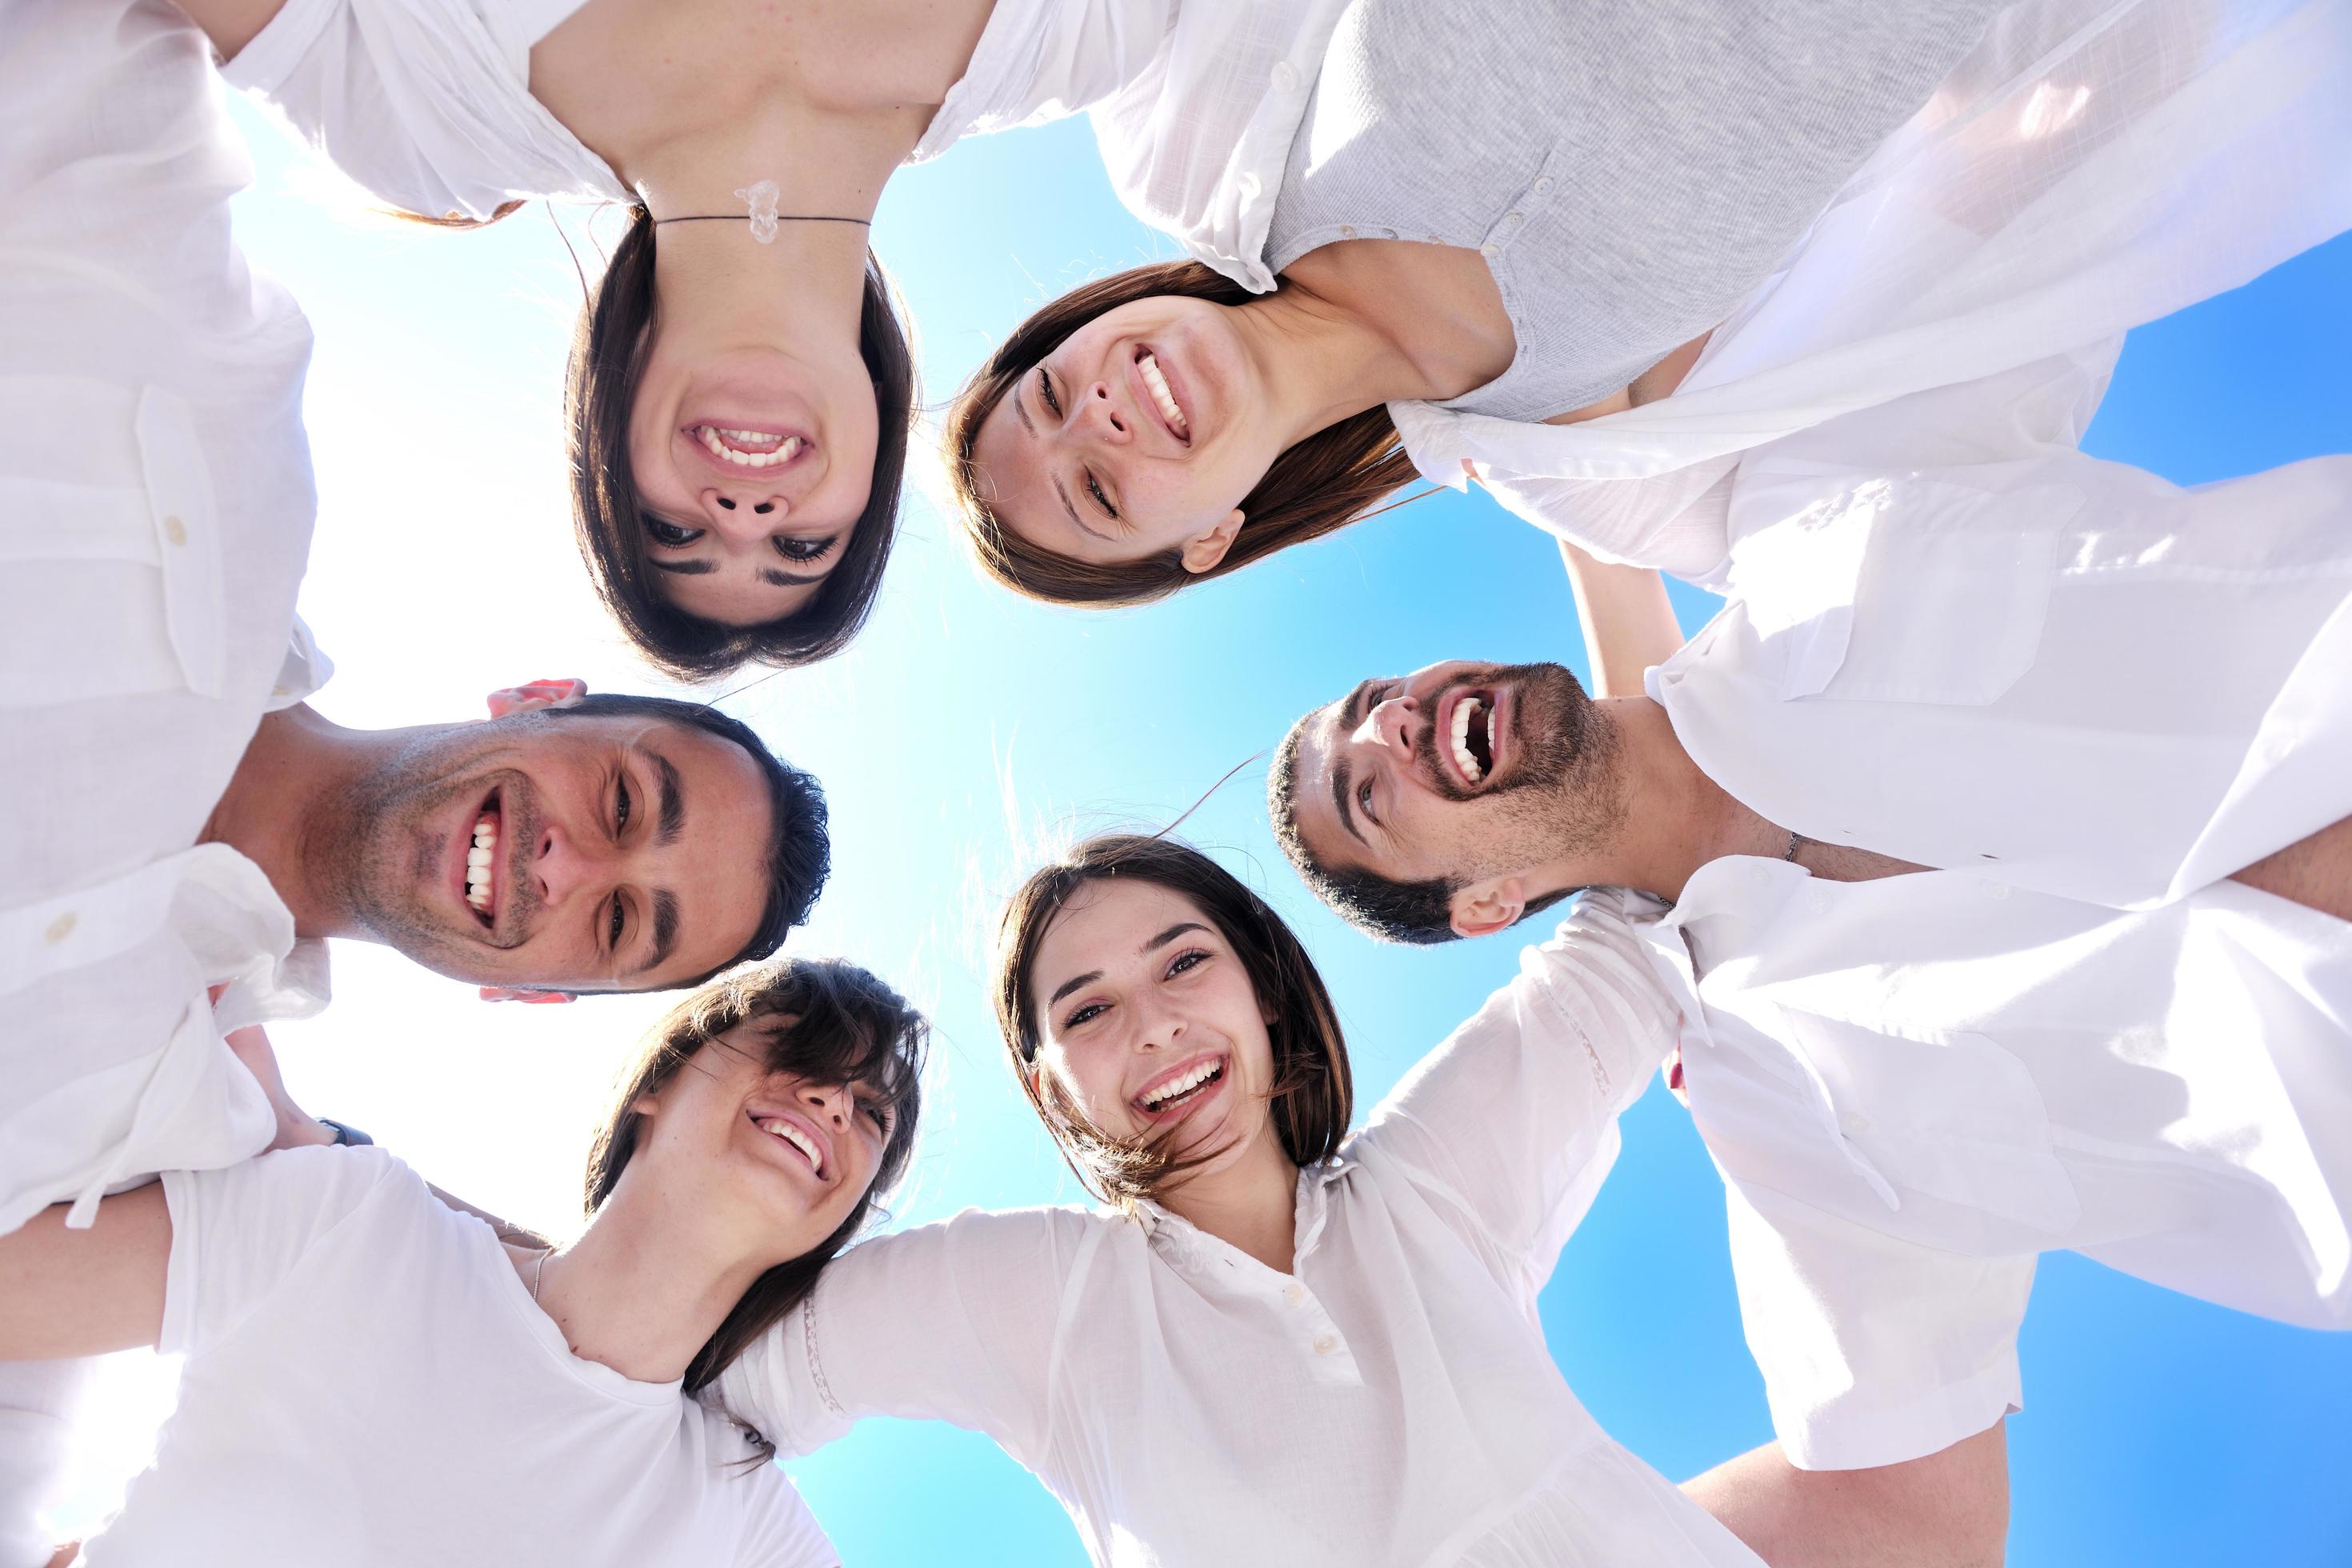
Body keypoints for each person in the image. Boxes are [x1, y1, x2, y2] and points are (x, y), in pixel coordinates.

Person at [1266, 434, 2352, 1477]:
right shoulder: (1780, 1108)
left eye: (1371, 702)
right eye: (1367, 798)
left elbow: (1980, 254)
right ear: (1488, 906)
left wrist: (1551, 443)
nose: (1390, 726)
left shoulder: (1818, 536)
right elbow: (1904, 1512)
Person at [706, 834, 2010, 1566]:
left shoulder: (1425, 1190)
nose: (1154, 1026)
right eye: (1088, 1011)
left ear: (1265, 996)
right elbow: (714, 1366)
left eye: (1184, 964)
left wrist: (1587, 460)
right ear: (1053, 1099)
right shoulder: (1044, 1301)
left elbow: (1640, 915)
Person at [945, 0, 2352, 608]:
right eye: (1099, 492)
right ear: (1208, 541)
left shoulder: (1199, 130)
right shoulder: (1588, 438)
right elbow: (1876, 546)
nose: (1108, 414)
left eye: (1058, 388)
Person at [174, 0, 1357, 676]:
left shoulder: (428, 130)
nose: (744, 519)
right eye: (802, 550)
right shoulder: (1086, 35)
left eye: (670, 529)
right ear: (875, 462)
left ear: (607, 440)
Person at [0, 956, 927, 1568]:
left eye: (873, 1113)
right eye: (799, 1049)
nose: (837, 1102)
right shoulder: (355, 1222)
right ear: (656, 1083)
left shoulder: (737, 1518)